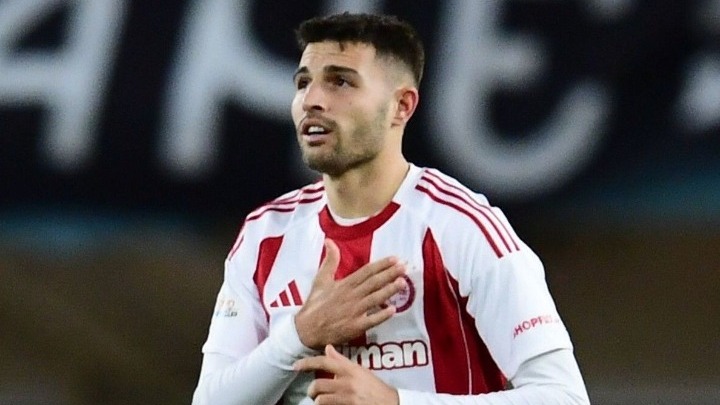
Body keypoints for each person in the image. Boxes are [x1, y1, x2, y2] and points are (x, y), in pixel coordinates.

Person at [192, 12, 590, 405]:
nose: (312, 100)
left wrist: (394, 402)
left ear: (401, 105)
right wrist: (299, 335)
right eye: (303, 82)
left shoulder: (461, 226)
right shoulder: (265, 235)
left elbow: (564, 397)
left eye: (340, 81)